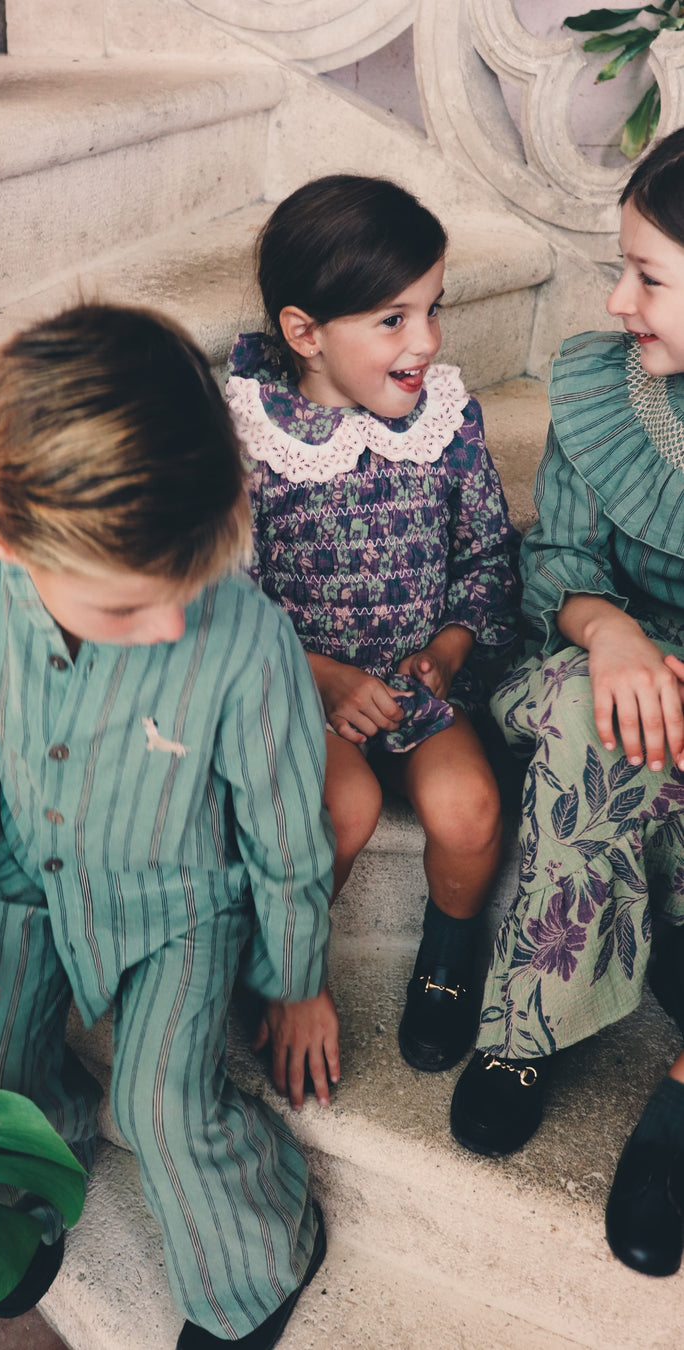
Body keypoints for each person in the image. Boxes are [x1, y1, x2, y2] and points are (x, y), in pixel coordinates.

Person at [0, 302, 337, 1348]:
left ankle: (265, 1250)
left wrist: (297, 980)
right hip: (23, 878)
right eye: (128, 608)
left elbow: (287, 839)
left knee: (158, 1108)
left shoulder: (245, 640)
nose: (171, 626)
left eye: (186, 589)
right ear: (3, 541)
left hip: (179, 906)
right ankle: (33, 1188)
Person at [449, 126, 684, 1280]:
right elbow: (555, 575)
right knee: (609, 731)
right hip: (584, 659)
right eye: (622, 265)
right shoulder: (603, 388)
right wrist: (616, 633)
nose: (617, 297)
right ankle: (525, 1023)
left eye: (651, 276)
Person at [226, 174, 519, 1076]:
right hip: (297, 686)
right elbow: (227, 600)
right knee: (338, 810)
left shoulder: (449, 419)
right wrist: (321, 678)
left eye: (432, 309)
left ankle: (448, 958)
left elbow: (488, 560)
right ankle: (286, 965)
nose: (425, 340)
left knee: (470, 811)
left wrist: (446, 650)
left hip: (417, 683)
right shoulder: (252, 433)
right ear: (304, 332)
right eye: (393, 319)